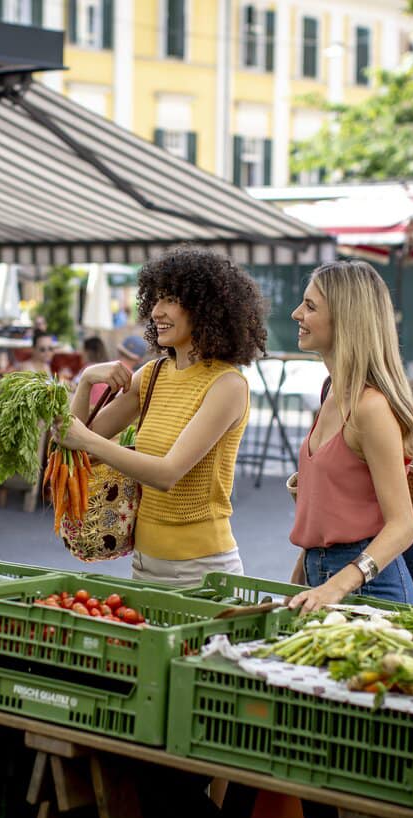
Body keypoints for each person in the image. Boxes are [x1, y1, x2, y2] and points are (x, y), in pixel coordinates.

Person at [57, 246, 262, 587]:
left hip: (202, 568)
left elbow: (167, 473)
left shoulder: (227, 385)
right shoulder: (152, 374)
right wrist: (87, 380)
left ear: (205, 308)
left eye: (170, 300)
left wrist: (87, 439)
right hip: (144, 562)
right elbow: (75, 441)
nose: (156, 312)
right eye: (155, 299)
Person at [284, 260, 413, 611]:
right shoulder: (331, 391)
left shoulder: (370, 408)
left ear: (346, 319)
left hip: (372, 591)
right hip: (321, 579)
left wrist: (335, 586)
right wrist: (297, 580)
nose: (296, 313)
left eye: (311, 306)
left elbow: (402, 526)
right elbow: (329, 507)